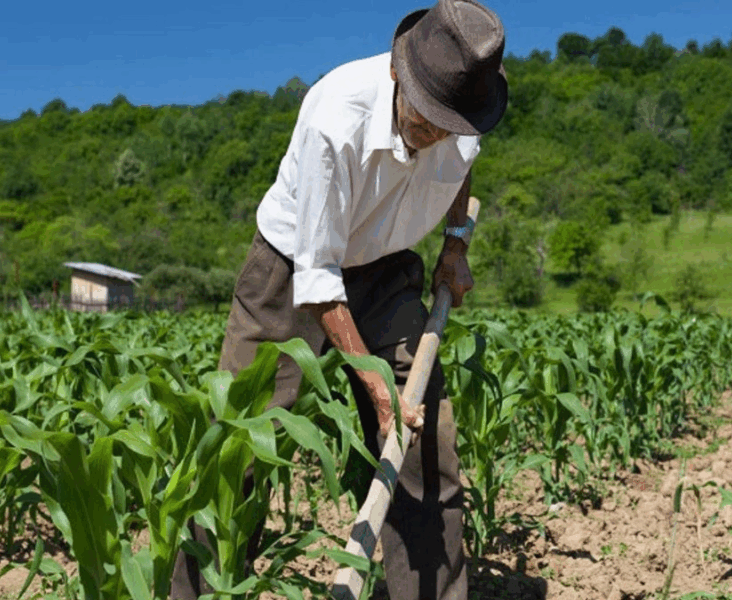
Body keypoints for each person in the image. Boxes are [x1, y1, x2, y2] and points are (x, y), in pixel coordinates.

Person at [169, 1, 507, 599]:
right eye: (426, 118)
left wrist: (454, 245)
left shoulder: (465, 113)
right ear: (399, 75)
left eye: (448, 125)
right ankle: (199, 591)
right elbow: (318, 276)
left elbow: (462, 170)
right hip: (291, 270)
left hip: (387, 269)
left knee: (425, 437)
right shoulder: (336, 115)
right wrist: (376, 388)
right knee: (238, 448)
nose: (435, 134)